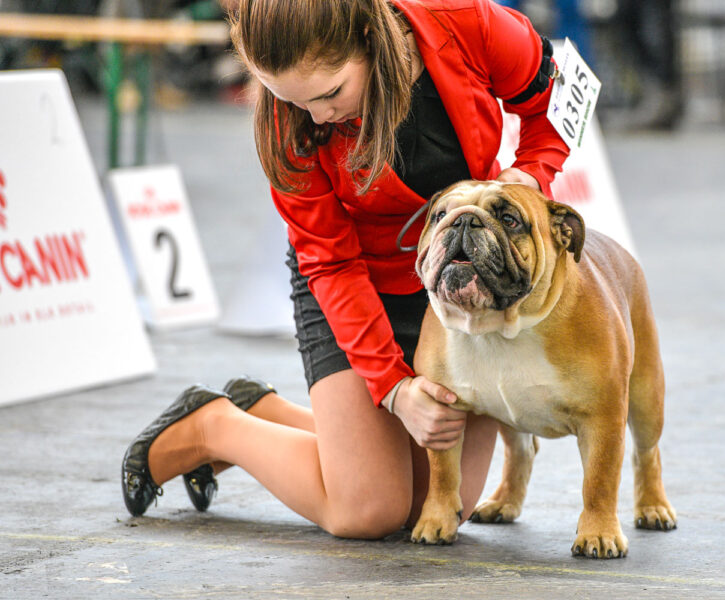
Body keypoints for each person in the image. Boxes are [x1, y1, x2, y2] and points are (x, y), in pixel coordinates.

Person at [121, 0, 569, 539]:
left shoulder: (470, 22)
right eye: (288, 98)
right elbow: (331, 263)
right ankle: (213, 426)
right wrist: (395, 391)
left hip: (455, 284)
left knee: (439, 503)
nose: (314, 118)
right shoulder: (287, 122)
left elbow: (560, 97)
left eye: (330, 93)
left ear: (368, 36)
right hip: (352, 281)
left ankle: (262, 408)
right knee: (369, 510)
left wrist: (534, 175)